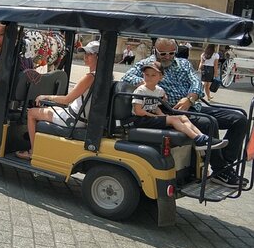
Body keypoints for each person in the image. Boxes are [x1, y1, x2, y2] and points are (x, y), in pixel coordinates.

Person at [122, 38, 249, 188]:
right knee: (208, 123)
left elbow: (196, 82)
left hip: (194, 105)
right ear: (155, 51)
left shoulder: (183, 63)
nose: (168, 56)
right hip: (171, 109)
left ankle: (225, 165)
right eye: (163, 53)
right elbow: (127, 77)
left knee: (240, 119)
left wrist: (189, 99)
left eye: (171, 53)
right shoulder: (148, 65)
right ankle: (220, 170)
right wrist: (149, 82)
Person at [15, 40, 100, 160]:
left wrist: (45, 96)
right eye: (85, 53)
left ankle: (32, 151)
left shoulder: (89, 77)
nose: (85, 56)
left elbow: (66, 100)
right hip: (81, 117)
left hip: (72, 118)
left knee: (31, 113)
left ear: (98, 56)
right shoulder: (103, 76)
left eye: (90, 54)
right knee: (46, 109)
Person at [129, 61, 227, 150]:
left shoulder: (159, 91)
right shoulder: (140, 90)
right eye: (147, 75)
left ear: (161, 77)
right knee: (174, 119)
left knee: (183, 117)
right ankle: (197, 139)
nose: (149, 77)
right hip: (140, 119)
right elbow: (138, 111)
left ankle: (202, 137)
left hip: (151, 118)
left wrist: (162, 115)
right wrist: (158, 117)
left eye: (153, 75)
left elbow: (156, 107)